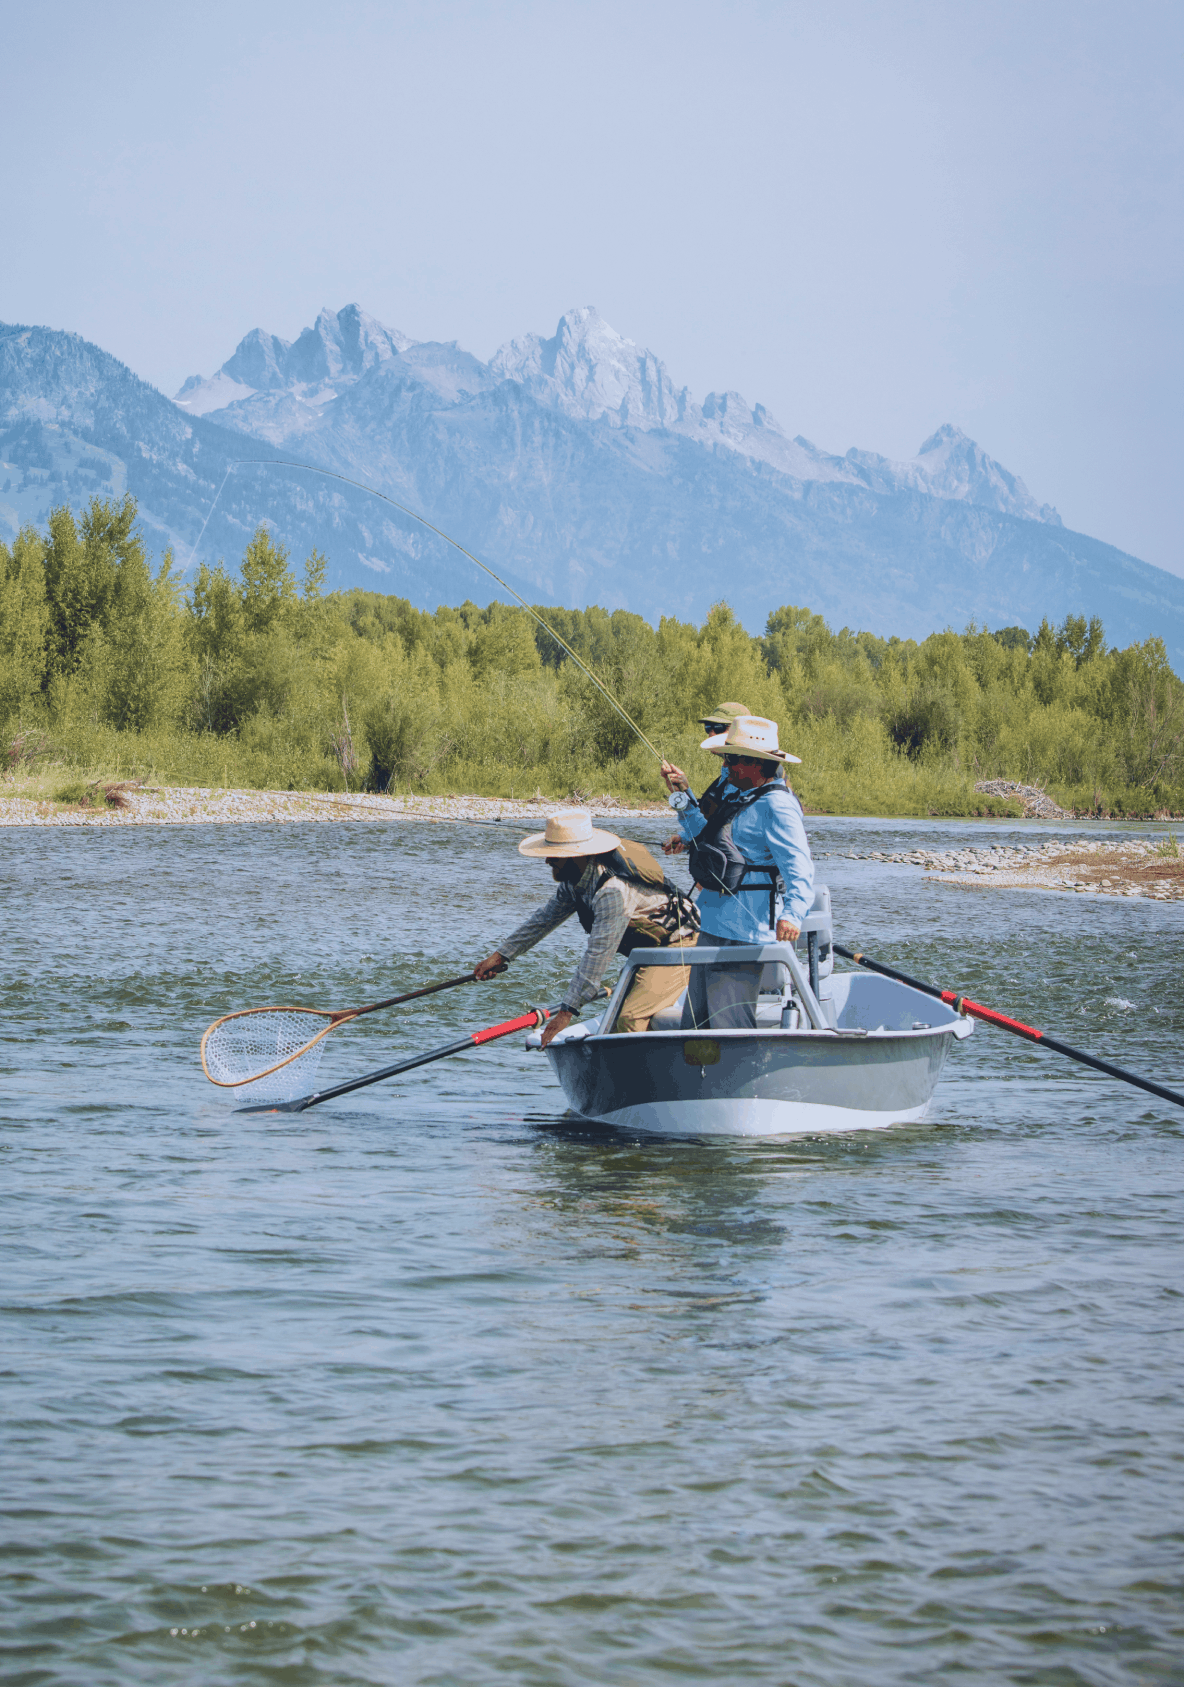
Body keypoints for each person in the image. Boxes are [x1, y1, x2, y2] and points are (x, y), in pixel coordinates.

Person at [473, 810, 700, 1048]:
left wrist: (566, 1013)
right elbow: (543, 920)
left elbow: (598, 955)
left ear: (577, 856)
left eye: (555, 856)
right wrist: (500, 956)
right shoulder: (576, 880)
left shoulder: (613, 892)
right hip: (649, 952)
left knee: (630, 1019)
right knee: (611, 1024)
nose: (547, 861)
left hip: (682, 945)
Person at [659, 715, 813, 1030]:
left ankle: (735, 1076)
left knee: (729, 1022)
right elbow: (705, 838)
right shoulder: (735, 796)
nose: (726, 766)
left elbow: (799, 867)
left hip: (746, 930)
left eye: (732, 759)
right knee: (695, 1019)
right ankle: (694, 1076)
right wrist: (683, 797)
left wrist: (793, 914)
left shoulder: (777, 807)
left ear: (757, 763)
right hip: (713, 919)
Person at [659, 700, 750, 856]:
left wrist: (684, 801)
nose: (711, 733)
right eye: (708, 727)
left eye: (718, 728)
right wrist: (686, 839)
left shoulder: (745, 782)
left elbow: (713, 837)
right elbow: (709, 823)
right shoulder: (725, 779)